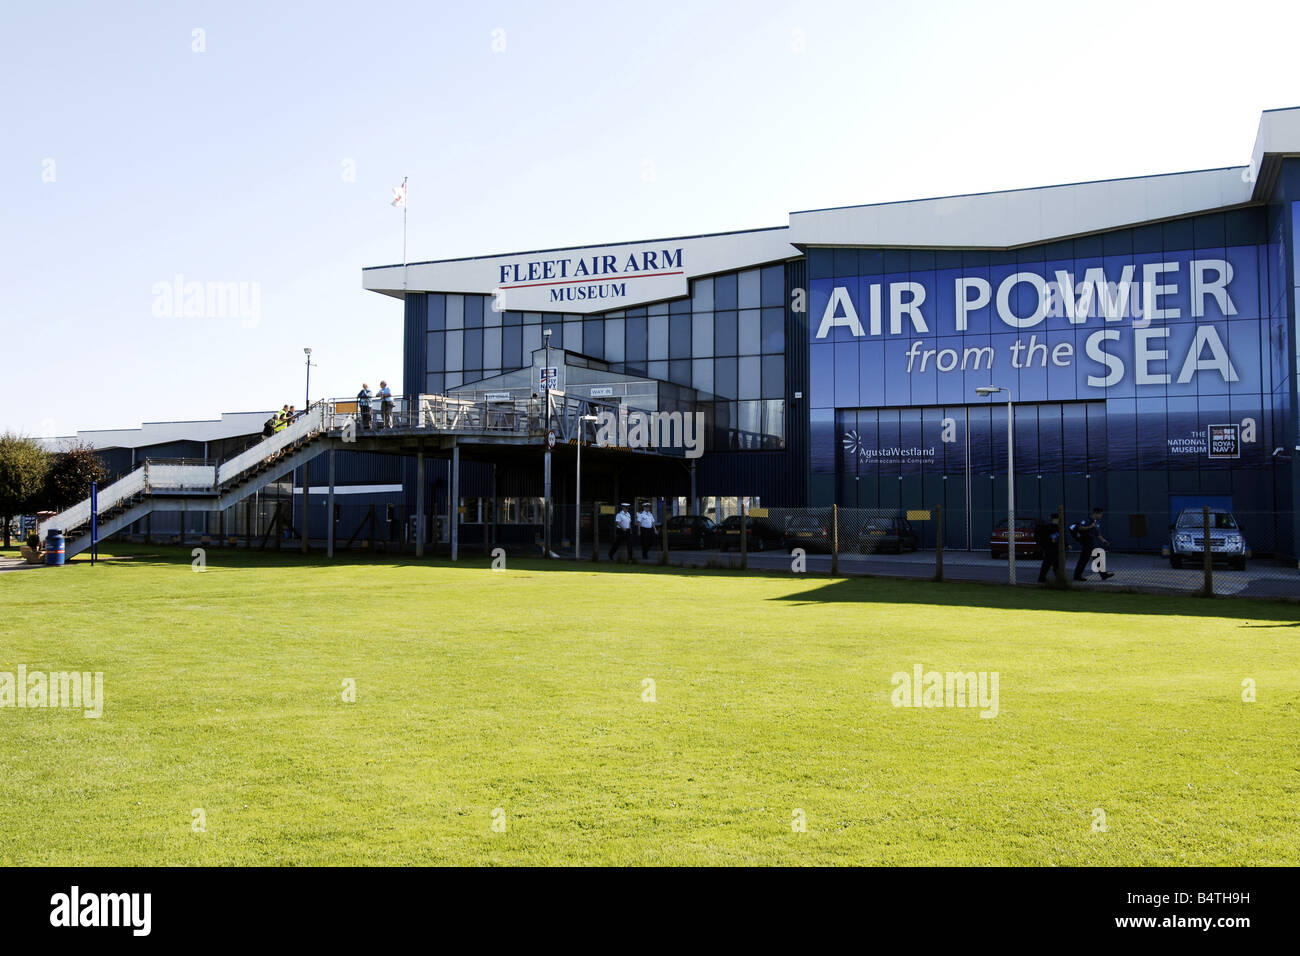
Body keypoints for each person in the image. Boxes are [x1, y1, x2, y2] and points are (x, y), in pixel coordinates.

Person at [1071, 507, 1115, 581]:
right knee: (1084, 559)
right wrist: (1090, 526)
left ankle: (1103, 574)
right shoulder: (1087, 520)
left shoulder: (1096, 522)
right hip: (1086, 542)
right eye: (1100, 514)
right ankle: (1077, 576)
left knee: (1095, 556)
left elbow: (1097, 534)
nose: (1101, 516)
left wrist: (1104, 541)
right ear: (1096, 514)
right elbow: (1080, 528)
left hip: (1090, 542)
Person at [1035, 512, 1061, 584]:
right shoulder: (1052, 527)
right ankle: (1043, 578)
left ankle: (1044, 578)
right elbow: (1052, 537)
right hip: (1051, 548)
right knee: (1050, 563)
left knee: (1051, 563)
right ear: (1057, 519)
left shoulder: (1049, 526)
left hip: (1050, 548)